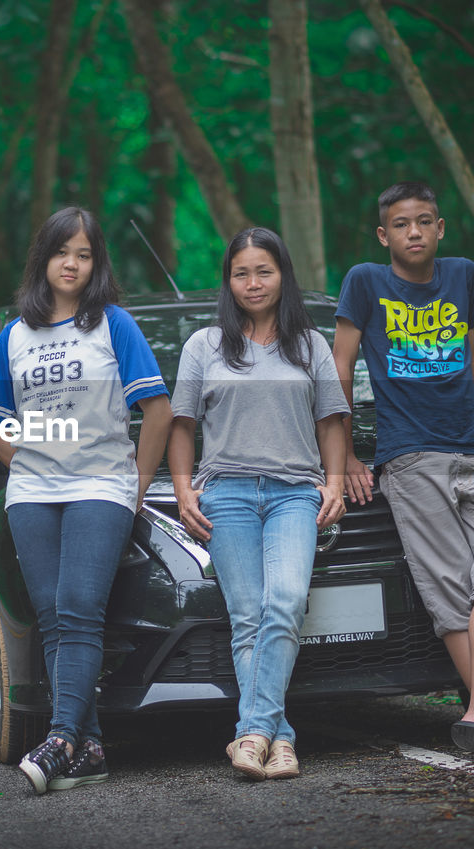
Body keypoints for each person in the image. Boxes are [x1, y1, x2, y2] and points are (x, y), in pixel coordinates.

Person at [332, 181, 474, 759]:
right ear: (384, 234)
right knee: (447, 579)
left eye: (424, 221)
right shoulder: (365, 282)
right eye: (401, 224)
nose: (414, 232)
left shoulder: (463, 274)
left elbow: (472, 358)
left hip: (471, 451)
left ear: (440, 228)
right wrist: (346, 452)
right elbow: (339, 367)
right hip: (409, 455)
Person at [0, 206, 171, 794]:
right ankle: (89, 751)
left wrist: (135, 486)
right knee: (55, 617)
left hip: (101, 488)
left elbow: (156, 412)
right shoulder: (15, 335)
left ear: (96, 263)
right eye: (64, 253)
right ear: (44, 258)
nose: (73, 264)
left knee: (81, 607)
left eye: (85, 255)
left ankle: (60, 737)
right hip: (32, 493)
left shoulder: (113, 325)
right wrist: (32, 460)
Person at [168, 226, 349, 781]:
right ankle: (280, 740)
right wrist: (182, 488)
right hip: (227, 494)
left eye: (263, 271)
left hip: (296, 492)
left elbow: (331, 421)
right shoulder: (204, 344)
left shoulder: (311, 344)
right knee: (247, 618)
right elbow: (181, 424)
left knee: (287, 602)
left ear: (282, 275)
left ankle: (251, 734)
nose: (252, 283)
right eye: (241, 273)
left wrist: (336, 480)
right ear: (228, 280)